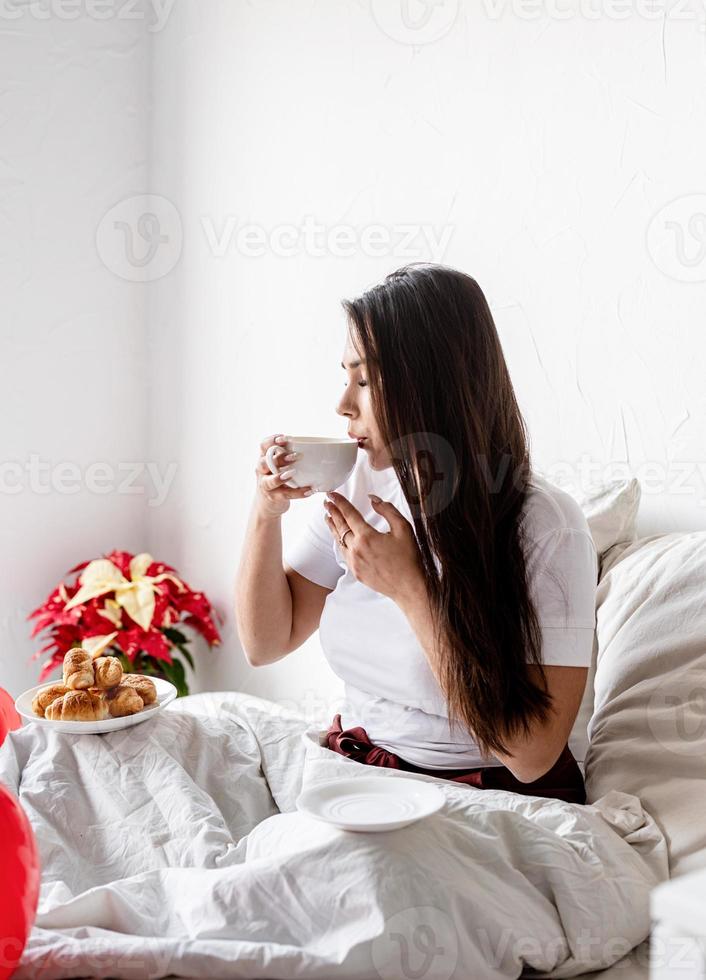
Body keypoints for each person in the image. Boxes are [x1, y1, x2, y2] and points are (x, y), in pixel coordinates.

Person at [235, 263, 598, 805]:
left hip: (479, 793)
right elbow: (266, 642)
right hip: (360, 769)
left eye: (363, 380)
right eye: (345, 377)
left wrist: (410, 588)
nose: (343, 404)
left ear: (429, 386)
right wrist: (266, 513)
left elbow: (532, 754)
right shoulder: (359, 488)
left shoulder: (545, 525)